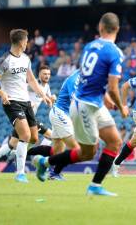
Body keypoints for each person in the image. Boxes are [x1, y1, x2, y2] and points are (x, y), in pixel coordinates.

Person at [33, 13, 125, 196]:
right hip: (84, 105)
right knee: (86, 153)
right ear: (117, 29)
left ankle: (95, 186)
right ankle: (45, 162)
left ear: (100, 28)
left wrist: (105, 99)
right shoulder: (115, 52)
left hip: (93, 103)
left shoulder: (90, 47)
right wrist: (122, 107)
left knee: (115, 142)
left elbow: (90, 80)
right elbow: (114, 88)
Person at [0, 29, 52, 183]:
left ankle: (25, 158)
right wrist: (2, 94)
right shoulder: (4, 60)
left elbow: (31, 80)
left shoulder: (25, 58)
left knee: (34, 137)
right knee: (25, 136)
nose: (28, 43)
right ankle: (20, 173)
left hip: (26, 102)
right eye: (26, 41)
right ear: (21, 42)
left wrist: (44, 96)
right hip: (12, 102)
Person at [27, 71, 81, 180]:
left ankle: (25, 152)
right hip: (61, 114)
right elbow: (76, 102)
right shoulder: (75, 79)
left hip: (60, 113)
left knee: (56, 151)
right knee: (77, 149)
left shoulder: (85, 79)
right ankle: (43, 163)